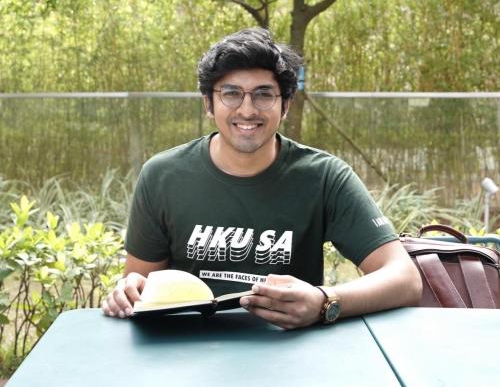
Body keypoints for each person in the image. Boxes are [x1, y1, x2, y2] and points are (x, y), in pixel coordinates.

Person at [102, 27, 422, 329]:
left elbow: (404, 278)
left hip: (288, 351)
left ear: (285, 105)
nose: (247, 110)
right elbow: (139, 285)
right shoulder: (163, 176)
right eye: (231, 93)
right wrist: (128, 291)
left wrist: (325, 301)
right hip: (185, 353)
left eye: (263, 95)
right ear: (208, 104)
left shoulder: (324, 177)